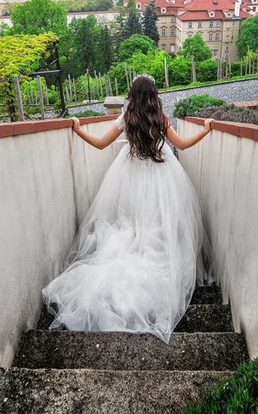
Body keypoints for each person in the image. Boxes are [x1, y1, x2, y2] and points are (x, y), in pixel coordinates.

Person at [42, 75, 214, 343]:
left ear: (132, 95)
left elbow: (100, 144)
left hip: (130, 174)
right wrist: (205, 129)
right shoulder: (160, 118)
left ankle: (136, 251)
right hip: (162, 174)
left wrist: (77, 129)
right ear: (154, 94)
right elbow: (180, 145)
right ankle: (156, 255)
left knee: (132, 224)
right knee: (159, 220)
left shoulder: (126, 119)